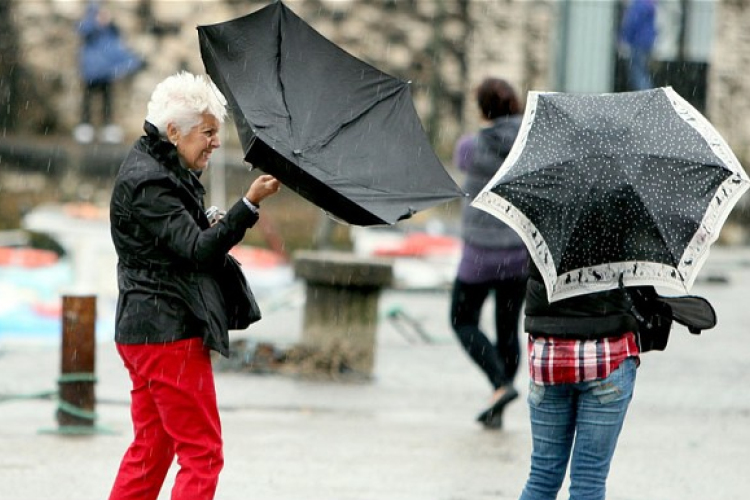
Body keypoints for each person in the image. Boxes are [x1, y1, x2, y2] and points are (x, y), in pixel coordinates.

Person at [108, 71, 281, 500]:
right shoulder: (150, 181)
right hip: (167, 333)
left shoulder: (158, 166)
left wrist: (214, 220)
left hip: (145, 330)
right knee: (202, 453)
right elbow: (199, 252)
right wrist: (247, 205)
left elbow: (177, 241)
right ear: (173, 132)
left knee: (152, 448)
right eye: (207, 132)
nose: (216, 142)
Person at [517, 263, 641, 499]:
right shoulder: (622, 226)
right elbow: (640, 286)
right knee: (589, 480)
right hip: (607, 355)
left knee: (542, 477)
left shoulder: (542, 226)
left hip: (549, 357)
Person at [450, 78, 529, 429]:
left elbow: (461, 158)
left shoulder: (471, 147)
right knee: (508, 328)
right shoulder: (530, 146)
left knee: (462, 319)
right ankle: (503, 390)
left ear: (483, 108)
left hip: (479, 254)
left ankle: (499, 384)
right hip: (518, 253)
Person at [74, 2, 143, 144]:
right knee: (88, 101)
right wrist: (95, 22)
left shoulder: (111, 33)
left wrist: (133, 62)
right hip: (91, 72)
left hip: (106, 73)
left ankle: (107, 126)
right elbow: (81, 29)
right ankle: (85, 126)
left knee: (107, 101)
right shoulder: (90, 30)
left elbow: (119, 51)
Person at [619, 0, 657, 91]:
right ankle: (650, 94)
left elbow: (632, 22)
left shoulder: (638, 5)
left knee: (637, 72)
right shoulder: (650, 5)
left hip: (637, 42)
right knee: (643, 71)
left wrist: (624, 38)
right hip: (647, 42)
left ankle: (646, 95)